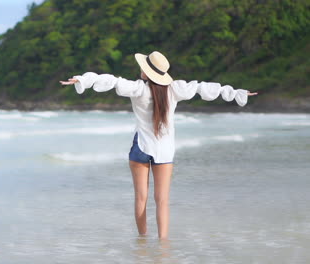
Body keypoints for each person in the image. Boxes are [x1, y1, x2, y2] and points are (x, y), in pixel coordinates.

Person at [59, 51, 258, 239]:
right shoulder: (175, 89)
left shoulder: (138, 88)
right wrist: (237, 93)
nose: (140, 69)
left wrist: (83, 80)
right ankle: (163, 245)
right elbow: (202, 87)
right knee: (162, 201)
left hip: (141, 149)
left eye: (143, 66)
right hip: (164, 151)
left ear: (147, 72)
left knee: (140, 199)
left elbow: (112, 81)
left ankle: (143, 241)